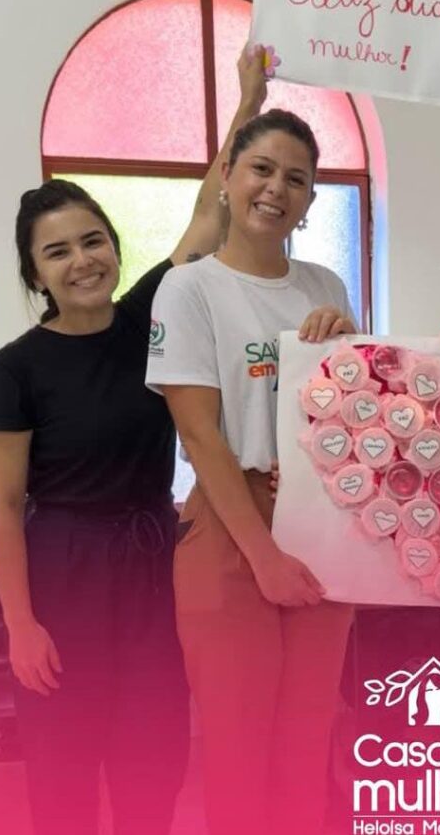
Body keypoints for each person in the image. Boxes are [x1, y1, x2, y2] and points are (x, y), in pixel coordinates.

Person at [0, 44, 272, 834]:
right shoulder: (11, 370)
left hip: (150, 566)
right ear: (36, 275)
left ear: (113, 246)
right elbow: (3, 509)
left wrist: (247, 101)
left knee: (152, 761)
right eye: (57, 251)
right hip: (63, 574)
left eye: (92, 240)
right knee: (65, 773)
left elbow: (210, 215)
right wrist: (20, 624)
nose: (81, 261)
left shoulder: (148, 321)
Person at [146, 108, 357, 835]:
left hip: (319, 517)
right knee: (238, 749)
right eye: (261, 169)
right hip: (230, 521)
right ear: (227, 177)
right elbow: (200, 434)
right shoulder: (188, 288)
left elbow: (352, 412)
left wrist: (351, 346)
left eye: (296, 179)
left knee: (306, 742)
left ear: (310, 199)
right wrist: (262, 555)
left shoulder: (325, 285)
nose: (276, 189)